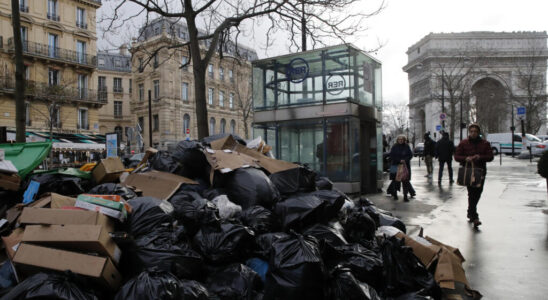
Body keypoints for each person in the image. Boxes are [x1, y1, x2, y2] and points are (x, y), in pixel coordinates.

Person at [454, 123, 494, 227]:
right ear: (469, 132)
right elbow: (456, 156)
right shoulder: (463, 143)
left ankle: (470, 211)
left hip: (480, 171)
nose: (473, 133)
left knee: (478, 192)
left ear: (478, 132)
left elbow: (490, 156)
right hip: (468, 171)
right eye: (471, 131)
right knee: (471, 193)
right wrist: (465, 158)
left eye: (475, 131)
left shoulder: (485, 143)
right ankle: (475, 216)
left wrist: (480, 157)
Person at [387, 135, 416, 201]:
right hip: (395, 165)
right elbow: (392, 156)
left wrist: (405, 160)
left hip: (404, 166)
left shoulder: (406, 146)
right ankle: (395, 195)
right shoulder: (394, 147)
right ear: (397, 140)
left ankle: (405, 196)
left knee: (405, 181)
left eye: (402, 139)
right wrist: (399, 160)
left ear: (404, 140)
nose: (400, 140)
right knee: (395, 181)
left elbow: (410, 155)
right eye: (399, 139)